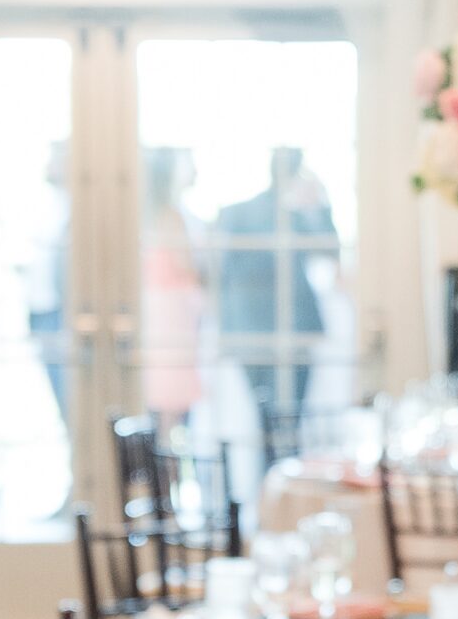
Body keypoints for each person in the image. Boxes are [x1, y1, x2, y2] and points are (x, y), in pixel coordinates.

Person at [215, 146, 339, 451]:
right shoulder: (253, 214)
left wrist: (316, 205)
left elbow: (330, 251)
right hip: (262, 335)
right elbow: (224, 279)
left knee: (275, 423)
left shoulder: (287, 214)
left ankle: (277, 487)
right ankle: (275, 488)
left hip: (268, 333)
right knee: (281, 424)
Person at [141, 147, 205, 433]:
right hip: (172, 316)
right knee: (170, 403)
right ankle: (164, 469)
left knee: (161, 398)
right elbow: (186, 264)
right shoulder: (170, 216)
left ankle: (161, 466)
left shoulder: (145, 216)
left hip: (157, 313)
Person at [24, 140, 71, 430]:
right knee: (60, 397)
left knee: (70, 397)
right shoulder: (46, 205)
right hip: (41, 312)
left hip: (61, 314)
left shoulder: (77, 205)